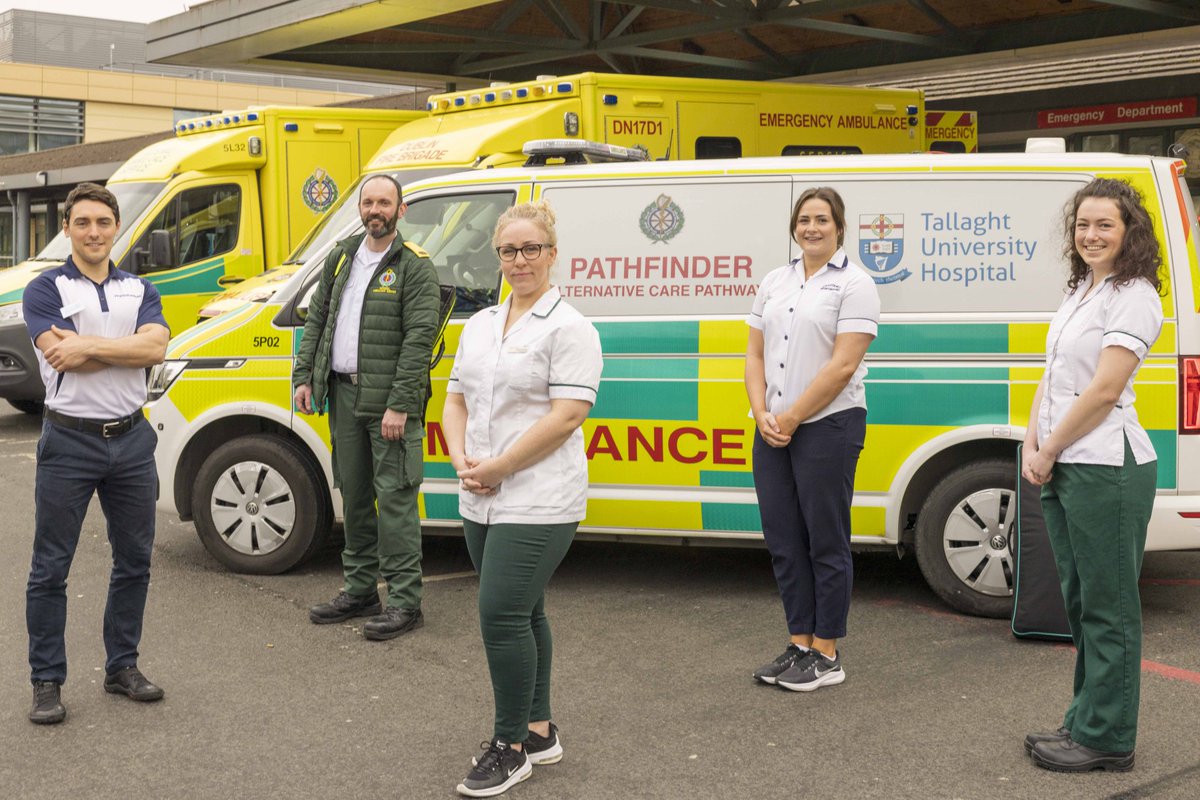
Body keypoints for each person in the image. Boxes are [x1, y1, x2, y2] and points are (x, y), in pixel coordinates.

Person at [442, 201, 602, 798]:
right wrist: (462, 460)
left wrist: (503, 466)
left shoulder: (571, 327)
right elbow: (455, 398)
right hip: (480, 492)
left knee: (500, 613)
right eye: (509, 250)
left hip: (538, 497)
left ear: (553, 254)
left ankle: (508, 746)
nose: (519, 260)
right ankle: (538, 730)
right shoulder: (481, 323)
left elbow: (567, 417)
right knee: (525, 610)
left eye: (531, 248)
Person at [1021, 178, 1163, 773]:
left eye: (1104, 224)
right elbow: (1054, 375)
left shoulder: (1134, 294)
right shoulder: (1083, 287)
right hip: (1067, 461)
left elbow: (1104, 390)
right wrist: (1031, 438)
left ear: (1129, 230)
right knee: (1081, 602)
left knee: (1109, 607)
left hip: (1107, 466)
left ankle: (1108, 739)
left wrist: (1049, 448)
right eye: (1082, 224)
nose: (1090, 234)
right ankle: (1085, 718)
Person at [23, 182, 171, 724]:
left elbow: (156, 348)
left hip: (131, 441)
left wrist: (88, 343)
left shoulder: (139, 288)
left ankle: (121, 667)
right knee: (50, 568)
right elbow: (62, 357)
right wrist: (118, 351)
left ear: (116, 228)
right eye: (82, 222)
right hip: (69, 442)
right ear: (67, 228)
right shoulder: (45, 289)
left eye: (102, 223)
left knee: (134, 561)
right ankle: (46, 681)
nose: (93, 232)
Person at [293, 174, 441, 640]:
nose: (375, 209)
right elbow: (317, 319)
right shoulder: (340, 258)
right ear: (360, 208)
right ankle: (360, 590)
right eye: (368, 202)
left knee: (395, 500)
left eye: (385, 202)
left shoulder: (415, 266)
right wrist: (304, 376)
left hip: (389, 403)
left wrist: (399, 405)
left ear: (401, 211)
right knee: (354, 496)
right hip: (343, 395)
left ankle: (404, 601)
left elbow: (420, 340)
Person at [745, 186, 880, 693]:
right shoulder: (775, 281)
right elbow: (754, 355)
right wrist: (762, 412)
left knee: (825, 538)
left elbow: (844, 364)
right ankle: (799, 643)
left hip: (828, 425)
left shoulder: (856, 284)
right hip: (774, 426)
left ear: (839, 227)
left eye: (823, 219)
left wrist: (793, 416)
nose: (812, 228)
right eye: (804, 220)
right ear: (794, 228)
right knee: (783, 540)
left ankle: (828, 651)